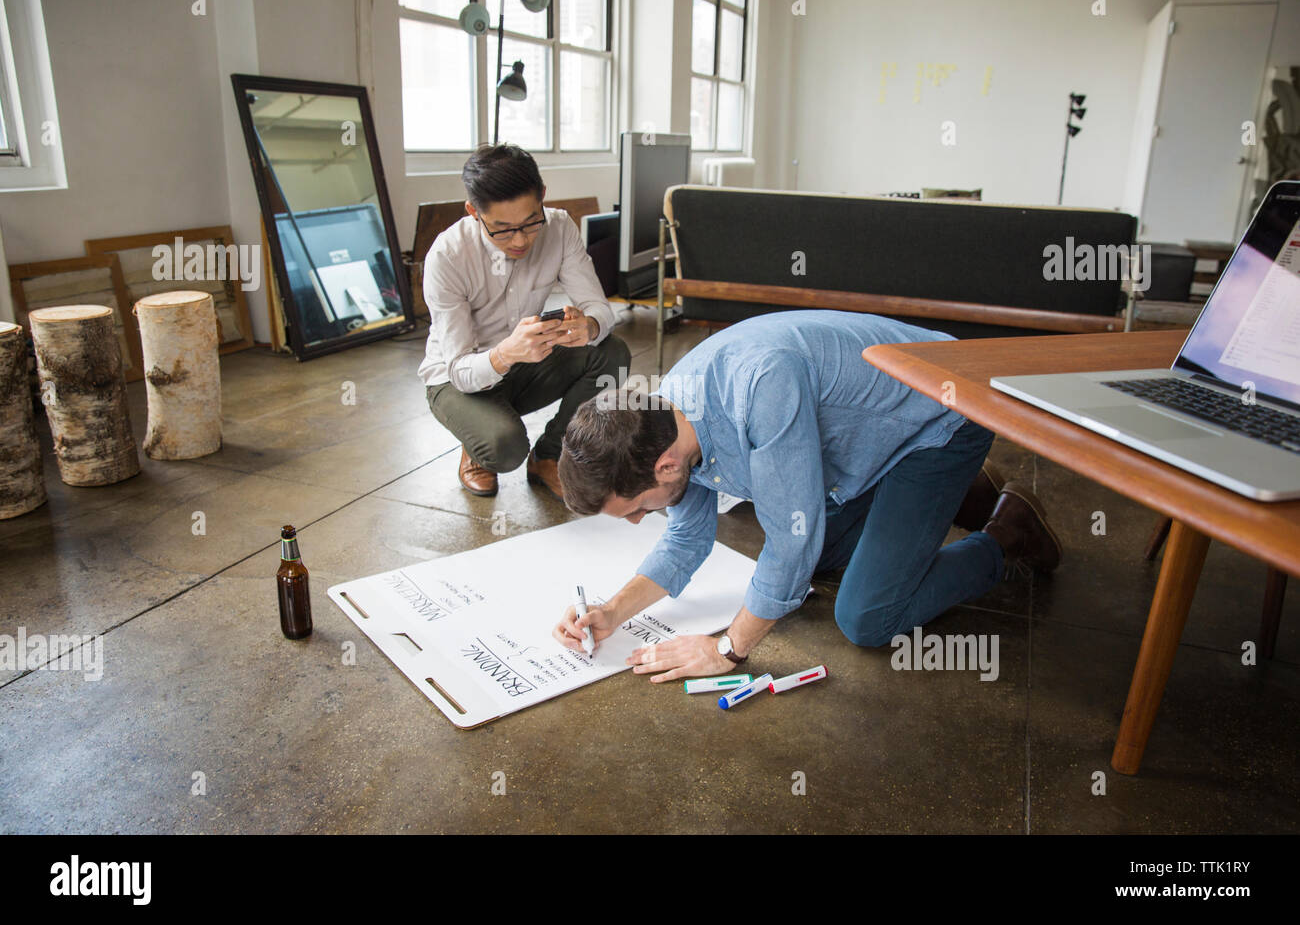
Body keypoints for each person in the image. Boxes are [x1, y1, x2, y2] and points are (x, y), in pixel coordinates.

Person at [551, 310, 1061, 681]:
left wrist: (728, 649)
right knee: (817, 561)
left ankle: (1005, 532)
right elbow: (687, 540)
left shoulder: (760, 390)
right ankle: (962, 494)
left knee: (867, 617)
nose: (640, 521)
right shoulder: (664, 424)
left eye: (637, 508)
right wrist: (613, 611)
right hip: (869, 435)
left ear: (664, 467)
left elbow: (791, 544)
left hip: (941, 412)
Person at [418, 144, 630, 500]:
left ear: (543, 197)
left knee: (612, 354)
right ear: (473, 211)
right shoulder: (447, 256)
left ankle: (549, 456)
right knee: (504, 447)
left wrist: (589, 325)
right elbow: (458, 369)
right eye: (501, 229)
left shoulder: (560, 227)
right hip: (457, 378)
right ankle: (477, 441)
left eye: (531, 223)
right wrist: (504, 354)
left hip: (528, 360)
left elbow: (600, 308)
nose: (519, 240)